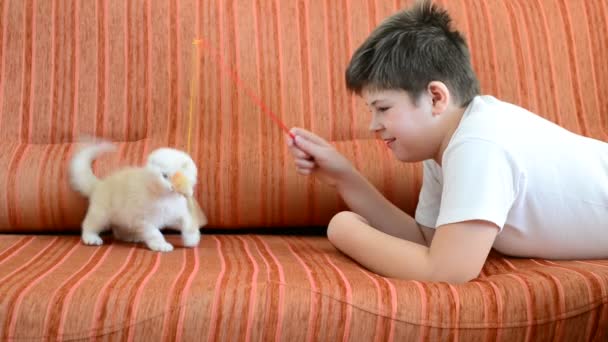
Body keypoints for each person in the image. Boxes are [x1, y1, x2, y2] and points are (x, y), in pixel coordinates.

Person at [285, 0, 608, 283]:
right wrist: (345, 177)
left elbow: (448, 270)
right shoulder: (448, 146)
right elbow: (429, 240)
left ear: (436, 97)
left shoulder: (479, 143)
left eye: (383, 108)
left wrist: (343, 229)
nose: (373, 126)